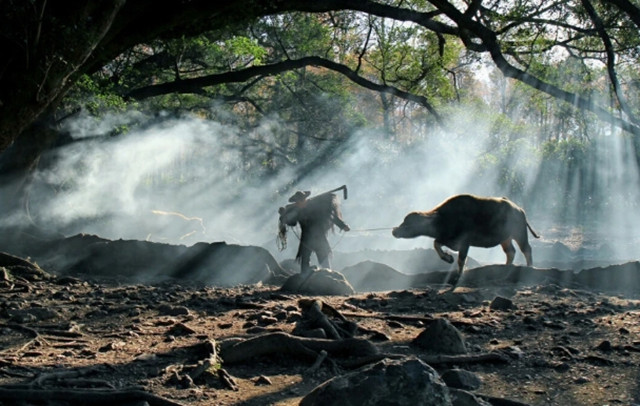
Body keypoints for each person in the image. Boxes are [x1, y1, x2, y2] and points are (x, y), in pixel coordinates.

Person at [278, 189, 350, 275]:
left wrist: (343, 226)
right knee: (305, 260)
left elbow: (331, 216)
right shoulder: (297, 211)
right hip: (306, 238)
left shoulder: (317, 207)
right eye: (297, 201)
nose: (298, 203)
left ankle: (328, 276)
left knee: (324, 258)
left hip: (319, 236)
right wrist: (284, 217)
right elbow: (292, 223)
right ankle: (305, 276)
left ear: (304, 199)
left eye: (300, 200)